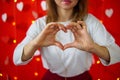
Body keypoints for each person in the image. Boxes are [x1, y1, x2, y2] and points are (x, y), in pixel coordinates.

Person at [13, 0, 120, 80]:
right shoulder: (40, 24)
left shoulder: (90, 22)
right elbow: (16, 58)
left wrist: (93, 47)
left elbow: (117, 53)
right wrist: (35, 43)